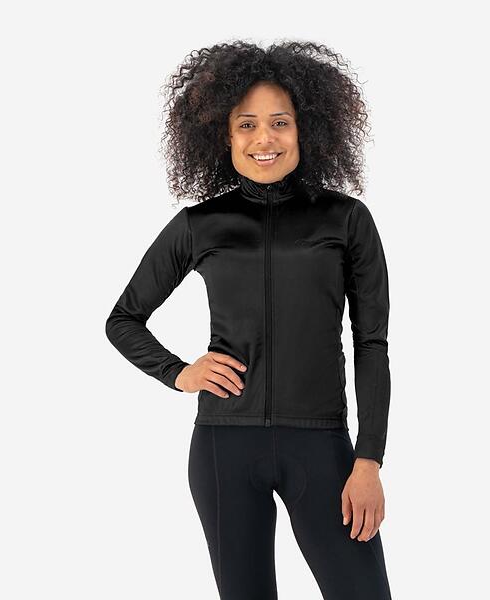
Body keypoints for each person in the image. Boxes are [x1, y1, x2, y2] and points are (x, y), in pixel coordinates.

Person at [106, 40, 393, 600]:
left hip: (322, 446)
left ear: (307, 129)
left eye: (280, 122)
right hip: (224, 448)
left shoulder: (346, 219)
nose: (265, 139)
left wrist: (369, 460)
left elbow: (372, 345)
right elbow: (124, 319)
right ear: (225, 135)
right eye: (247, 125)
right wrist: (178, 372)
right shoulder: (200, 224)